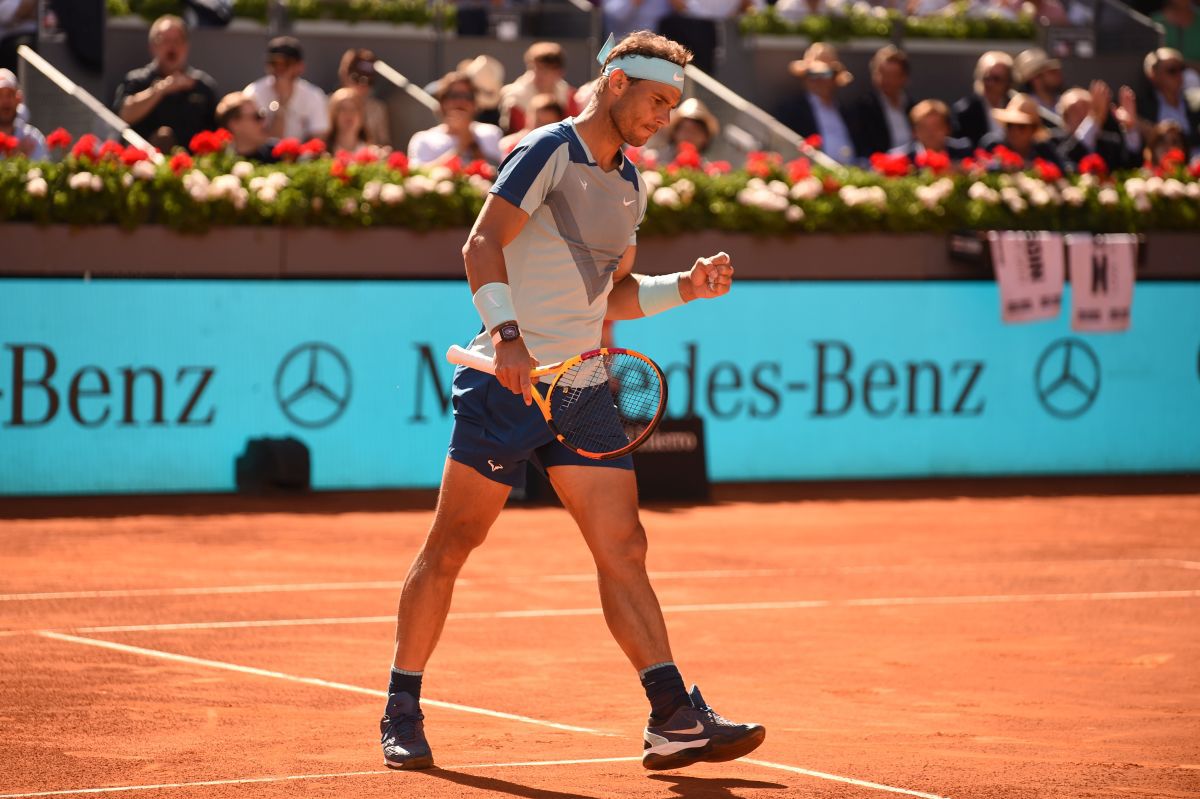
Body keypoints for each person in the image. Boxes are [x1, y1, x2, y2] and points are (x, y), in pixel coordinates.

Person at [379, 29, 764, 773]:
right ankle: (402, 701)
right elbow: (481, 244)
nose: (664, 117)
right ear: (616, 83)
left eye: (673, 105)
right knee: (453, 545)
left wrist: (685, 285)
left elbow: (608, 295)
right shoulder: (545, 150)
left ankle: (672, 716)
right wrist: (511, 337)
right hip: (505, 379)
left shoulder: (631, 184)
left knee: (624, 546)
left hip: (581, 384)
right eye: (656, 100)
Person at [113, 14, 218, 151]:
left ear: (186, 46)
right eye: (165, 40)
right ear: (152, 46)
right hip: (143, 164)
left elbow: (217, 133)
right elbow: (123, 116)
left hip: (192, 166)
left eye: (177, 40)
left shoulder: (202, 85)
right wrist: (160, 89)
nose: (172, 47)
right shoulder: (136, 80)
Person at [776, 42, 857, 164]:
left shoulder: (846, 111)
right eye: (813, 74)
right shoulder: (792, 110)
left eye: (825, 74)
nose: (819, 80)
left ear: (834, 77)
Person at [407, 71, 503, 167]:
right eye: (453, 95)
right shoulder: (423, 139)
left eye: (467, 96)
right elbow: (419, 174)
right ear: (442, 102)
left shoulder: (491, 133)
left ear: (475, 104)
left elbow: (498, 173)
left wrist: (471, 141)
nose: (461, 101)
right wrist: (461, 147)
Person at [243, 36, 328, 141]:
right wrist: (280, 106)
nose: (279, 68)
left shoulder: (314, 95)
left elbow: (318, 137)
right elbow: (250, 137)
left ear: (300, 66)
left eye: (286, 63)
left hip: (303, 156)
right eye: (274, 63)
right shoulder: (253, 93)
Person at [1053, 82, 1141, 171]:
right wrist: (1093, 120)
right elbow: (1067, 162)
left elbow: (1132, 167)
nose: (1082, 114)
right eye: (1074, 110)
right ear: (1065, 118)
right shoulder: (1054, 142)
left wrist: (1130, 128)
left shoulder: (1111, 143)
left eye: (1086, 107)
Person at [848, 45, 914, 159]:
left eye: (892, 75)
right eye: (881, 74)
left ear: (904, 78)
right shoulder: (863, 108)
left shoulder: (913, 108)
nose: (886, 80)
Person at [499, 42, 580, 135]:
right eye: (533, 68)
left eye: (545, 70)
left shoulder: (569, 96)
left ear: (559, 72)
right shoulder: (514, 99)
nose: (537, 75)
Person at [1135, 48, 1200, 154]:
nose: (1179, 75)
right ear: (1153, 74)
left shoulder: (1196, 102)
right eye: (1172, 70)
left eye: (1182, 69)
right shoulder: (1142, 107)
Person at [980, 93, 1066, 170]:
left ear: (1033, 129)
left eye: (1021, 127)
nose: (1015, 131)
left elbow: (1062, 171)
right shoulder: (993, 147)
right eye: (1010, 125)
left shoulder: (1044, 150)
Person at [952, 50, 1015, 148]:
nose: (990, 84)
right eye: (986, 78)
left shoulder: (1016, 107)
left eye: (996, 79)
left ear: (1008, 81)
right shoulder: (965, 110)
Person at [337, 47, 390, 146]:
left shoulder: (378, 108)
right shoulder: (331, 103)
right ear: (345, 76)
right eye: (357, 78)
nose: (363, 85)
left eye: (368, 81)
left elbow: (384, 143)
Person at [892, 99, 972, 161]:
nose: (930, 133)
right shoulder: (900, 158)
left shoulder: (964, 154)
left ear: (948, 129)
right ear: (914, 132)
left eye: (936, 127)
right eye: (924, 128)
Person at [1013, 47, 1065, 133]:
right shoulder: (1024, 106)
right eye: (1050, 72)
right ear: (1036, 78)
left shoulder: (1062, 101)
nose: (1058, 75)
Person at [215, 90, 276, 161]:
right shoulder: (219, 163)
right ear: (234, 124)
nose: (263, 122)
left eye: (262, 115)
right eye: (257, 117)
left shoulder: (281, 155)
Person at [498, 92, 565, 154]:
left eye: (548, 123)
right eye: (538, 121)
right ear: (527, 118)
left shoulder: (564, 149)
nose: (542, 128)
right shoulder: (509, 145)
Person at [0, 67, 44, 159]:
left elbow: (44, 169)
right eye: (0, 95)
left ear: (18, 99)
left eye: (9, 95)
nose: (5, 101)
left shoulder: (33, 136)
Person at [326, 87, 372, 153]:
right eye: (343, 109)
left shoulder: (372, 154)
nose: (349, 114)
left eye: (354, 109)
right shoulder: (323, 155)